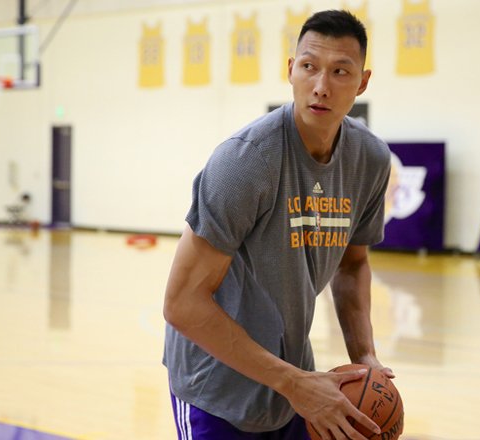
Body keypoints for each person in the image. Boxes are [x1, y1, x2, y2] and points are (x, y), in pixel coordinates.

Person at [163, 9, 393, 440]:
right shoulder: (246, 161)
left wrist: (364, 358)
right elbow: (182, 304)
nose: (321, 86)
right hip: (215, 388)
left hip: (293, 380)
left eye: (340, 71)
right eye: (309, 67)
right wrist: (295, 383)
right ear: (291, 70)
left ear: (362, 82)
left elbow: (352, 263)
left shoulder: (370, 160)